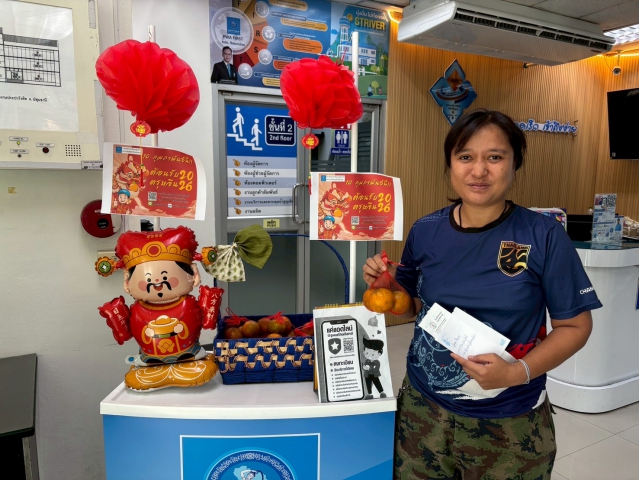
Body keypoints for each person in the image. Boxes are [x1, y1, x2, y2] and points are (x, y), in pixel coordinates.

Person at [362, 109, 602, 479]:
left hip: (509, 423)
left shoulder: (543, 235)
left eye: (494, 157)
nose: (479, 171)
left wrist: (517, 372)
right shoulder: (425, 230)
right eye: (465, 157)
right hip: (423, 412)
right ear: (450, 164)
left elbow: (575, 326)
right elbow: (412, 308)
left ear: (514, 164)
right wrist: (389, 289)